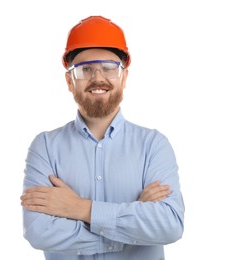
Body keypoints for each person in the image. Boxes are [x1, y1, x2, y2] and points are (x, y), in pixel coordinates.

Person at [20, 15, 184, 260]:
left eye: (109, 68)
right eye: (85, 69)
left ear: (124, 77)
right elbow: (39, 231)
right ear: (69, 81)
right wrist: (132, 225)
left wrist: (79, 209)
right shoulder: (45, 147)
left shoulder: (153, 145)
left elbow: (169, 225)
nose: (98, 78)